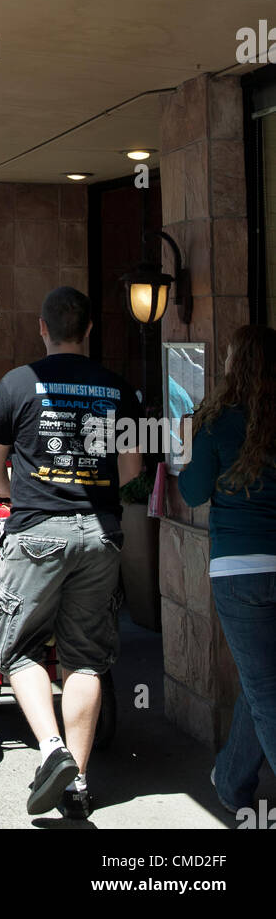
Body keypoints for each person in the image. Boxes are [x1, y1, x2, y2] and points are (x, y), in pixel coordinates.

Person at [0, 286, 141, 818]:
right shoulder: (117, 388)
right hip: (100, 534)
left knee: (17, 649)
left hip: (37, 532)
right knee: (85, 659)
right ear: (89, 331)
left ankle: (51, 751)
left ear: (42, 329)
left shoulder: (17, 383)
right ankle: (79, 783)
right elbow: (132, 471)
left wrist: (15, 497)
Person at [178, 324, 276, 815]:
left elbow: (192, 493)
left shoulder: (216, 423)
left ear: (235, 367)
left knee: (264, 689)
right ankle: (232, 779)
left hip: (239, 571)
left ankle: (232, 781)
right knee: (263, 683)